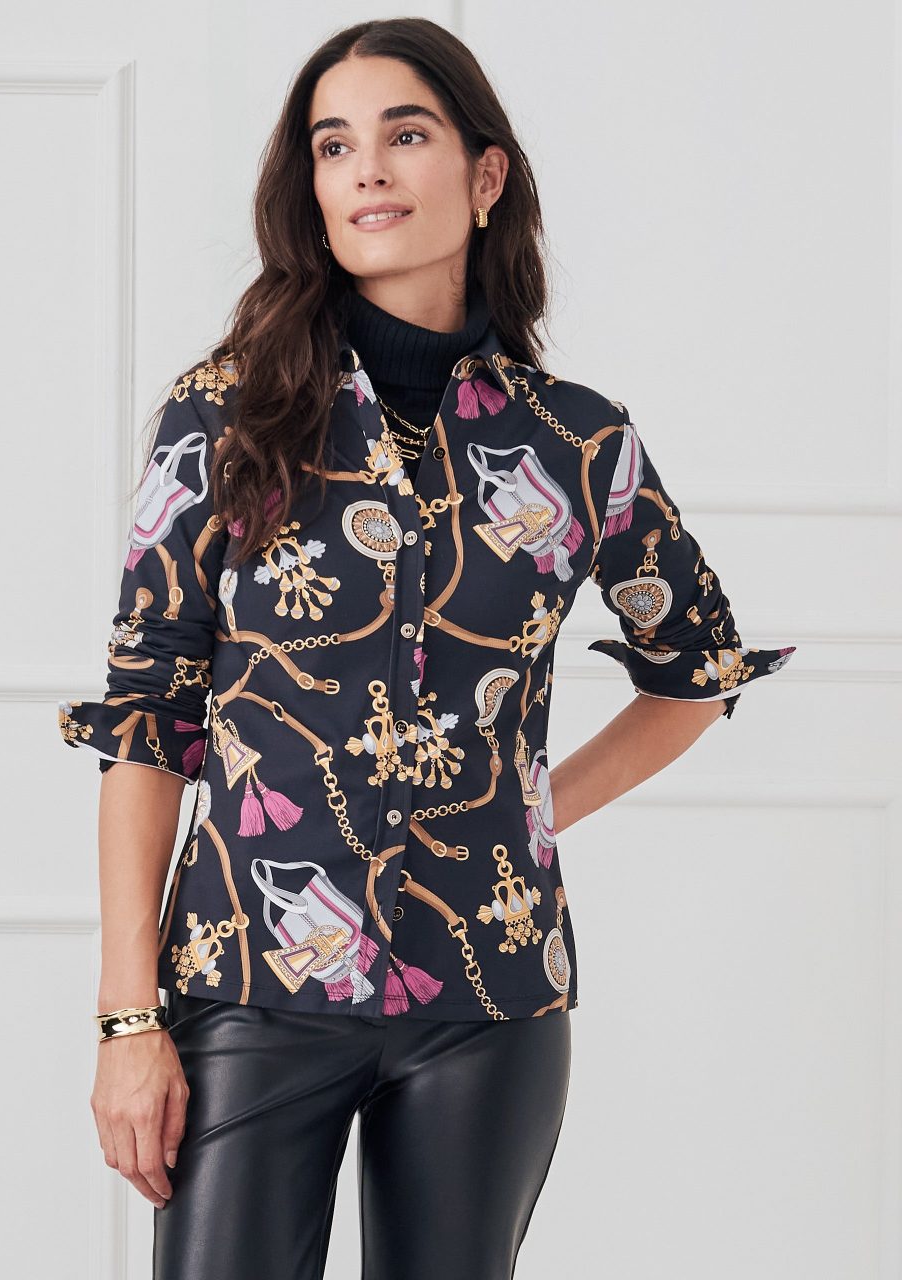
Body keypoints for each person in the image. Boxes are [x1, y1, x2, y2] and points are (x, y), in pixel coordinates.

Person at [57, 17, 797, 1280]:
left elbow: (697, 666)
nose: (367, 169)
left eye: (405, 135)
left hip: (490, 996)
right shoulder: (225, 414)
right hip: (252, 981)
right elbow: (148, 714)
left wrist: (536, 807)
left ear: (485, 173)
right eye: (332, 145)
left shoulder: (575, 442)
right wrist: (129, 1017)